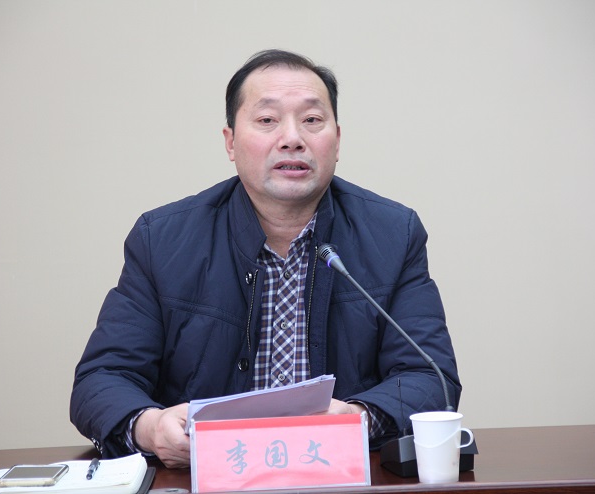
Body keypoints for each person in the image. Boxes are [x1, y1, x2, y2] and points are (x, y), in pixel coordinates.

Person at [70, 49, 461, 468]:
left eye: (312, 120)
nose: (292, 138)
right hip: (205, 478)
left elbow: (429, 377)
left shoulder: (393, 234)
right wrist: (150, 427)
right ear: (230, 142)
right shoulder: (162, 240)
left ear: (337, 140)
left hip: (339, 476)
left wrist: (357, 419)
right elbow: (102, 379)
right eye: (267, 120)